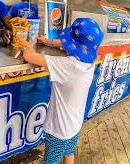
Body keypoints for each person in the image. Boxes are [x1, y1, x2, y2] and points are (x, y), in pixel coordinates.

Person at [19, 18, 104, 164]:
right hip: (75, 124)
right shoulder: (89, 62)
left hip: (59, 129)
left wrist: (29, 45)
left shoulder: (68, 66)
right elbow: (67, 45)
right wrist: (47, 41)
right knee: (69, 153)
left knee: (51, 161)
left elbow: (29, 56)